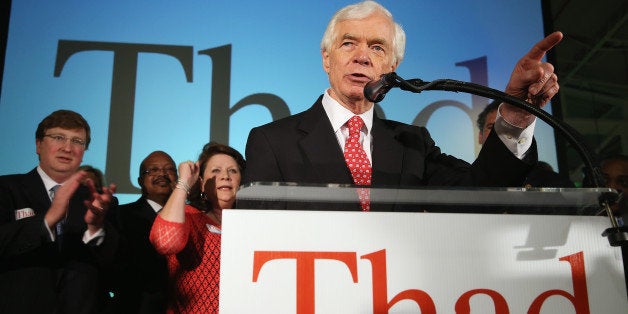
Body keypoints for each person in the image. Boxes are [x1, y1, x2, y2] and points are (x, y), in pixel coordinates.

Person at [243, 1, 563, 211]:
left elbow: (481, 193)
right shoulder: (272, 142)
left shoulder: (413, 145)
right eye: (348, 43)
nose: (362, 56)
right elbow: (256, 242)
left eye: (377, 47)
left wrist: (517, 113)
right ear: (327, 57)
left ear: (392, 66)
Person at [0, 109, 118, 313]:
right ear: (38, 144)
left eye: (77, 142)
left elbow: (118, 269)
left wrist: (95, 229)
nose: (67, 147)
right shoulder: (6, 188)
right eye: (58, 137)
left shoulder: (100, 201)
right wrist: (47, 220)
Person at [149, 142, 245, 313]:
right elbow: (165, 242)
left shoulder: (252, 225)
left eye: (233, 171)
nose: (225, 176)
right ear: (201, 184)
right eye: (216, 171)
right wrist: (184, 182)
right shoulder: (190, 216)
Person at [112, 151, 177, 313]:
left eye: (169, 170)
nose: (162, 174)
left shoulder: (192, 216)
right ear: (140, 181)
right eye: (153, 170)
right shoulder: (121, 215)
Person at [476, 99, 574, 189]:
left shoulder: (555, 184)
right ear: (480, 136)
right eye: (490, 127)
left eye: (508, 127)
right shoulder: (466, 180)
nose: (498, 133)